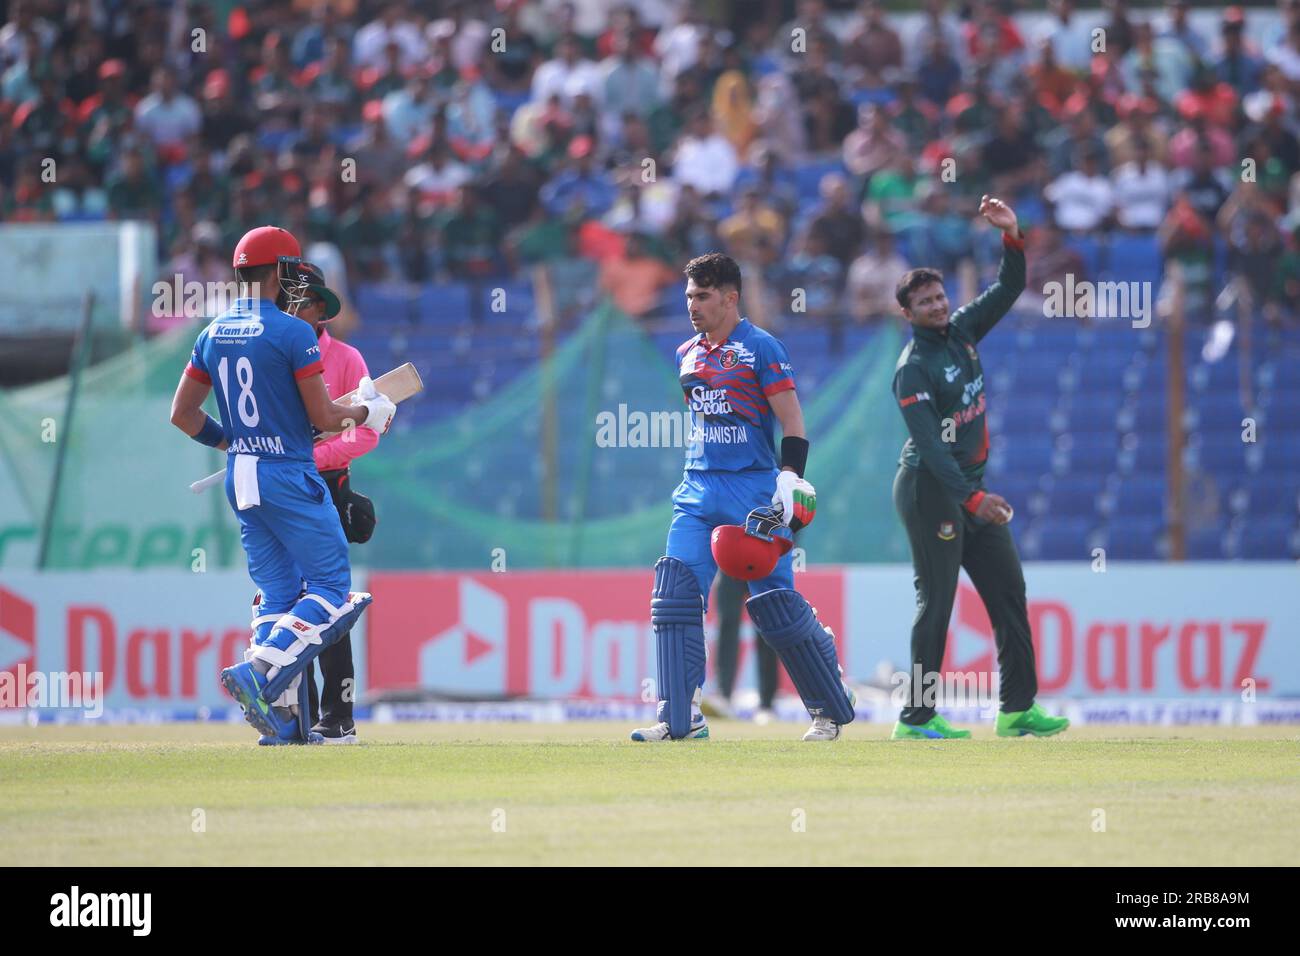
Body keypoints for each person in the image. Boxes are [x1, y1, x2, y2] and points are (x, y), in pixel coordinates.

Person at [168, 225, 397, 744]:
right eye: (291, 271)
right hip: (289, 474)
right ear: (277, 273)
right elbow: (323, 413)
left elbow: (182, 414)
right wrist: (369, 412)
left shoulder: (213, 332)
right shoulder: (294, 333)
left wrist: (233, 445)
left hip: (242, 476)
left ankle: (284, 724)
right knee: (332, 589)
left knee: (276, 594)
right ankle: (259, 673)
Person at [630, 253, 856, 743]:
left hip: (753, 492)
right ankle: (680, 719)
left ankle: (829, 706)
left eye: (703, 295)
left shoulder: (762, 348)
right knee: (674, 595)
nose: (692, 305)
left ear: (731, 298)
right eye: (689, 295)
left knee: (775, 604)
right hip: (696, 488)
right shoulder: (686, 353)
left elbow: (793, 423)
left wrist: (790, 477)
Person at [889, 197, 1069, 740]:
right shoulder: (913, 370)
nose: (938, 306)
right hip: (930, 491)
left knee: (1009, 592)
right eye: (925, 303)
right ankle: (916, 718)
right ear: (909, 314)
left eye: (940, 296)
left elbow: (1009, 289)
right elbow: (933, 449)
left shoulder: (964, 331)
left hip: (971, 490)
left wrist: (1012, 236)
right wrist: (971, 500)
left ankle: (1016, 709)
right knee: (937, 601)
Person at [293, 261, 380, 745]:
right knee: (285, 599)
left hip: (325, 487)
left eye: (302, 302)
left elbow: (366, 432)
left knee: (328, 601)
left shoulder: (346, 358)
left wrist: (312, 455)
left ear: (319, 308)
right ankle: (295, 712)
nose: (293, 310)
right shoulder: (273, 355)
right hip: (279, 483)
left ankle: (337, 715)